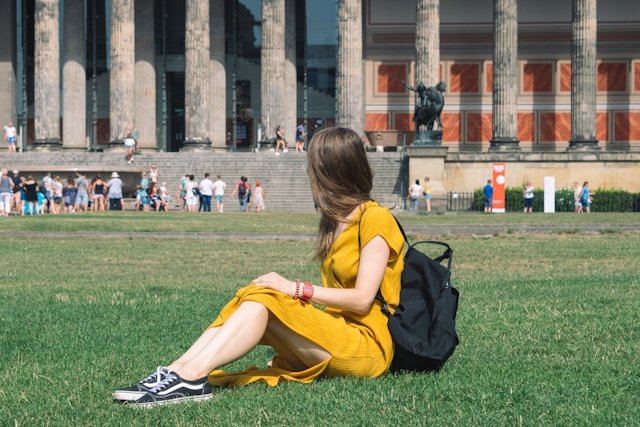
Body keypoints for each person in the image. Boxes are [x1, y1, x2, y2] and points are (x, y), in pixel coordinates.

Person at [112, 127, 405, 408]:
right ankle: (179, 370)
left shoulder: (375, 218)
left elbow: (362, 299)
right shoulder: (334, 220)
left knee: (269, 296)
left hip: (367, 346)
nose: (309, 173)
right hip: (338, 331)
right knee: (256, 292)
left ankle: (191, 377)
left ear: (332, 170)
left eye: (313, 166)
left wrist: (296, 289)